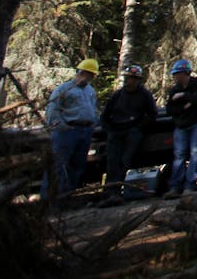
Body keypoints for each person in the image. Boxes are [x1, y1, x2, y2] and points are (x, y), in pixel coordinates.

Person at [98, 64, 159, 206]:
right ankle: (109, 193)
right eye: (127, 78)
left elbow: (152, 114)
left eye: (131, 78)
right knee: (112, 162)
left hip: (132, 132)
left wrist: (138, 127)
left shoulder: (144, 95)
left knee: (125, 161)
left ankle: (119, 192)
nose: (128, 81)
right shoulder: (117, 95)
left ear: (138, 80)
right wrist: (109, 129)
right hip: (115, 132)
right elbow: (105, 115)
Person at [42, 57, 100, 203]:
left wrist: (93, 123)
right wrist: (60, 126)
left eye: (92, 76)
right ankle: (49, 199)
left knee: (77, 166)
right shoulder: (64, 89)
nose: (90, 78)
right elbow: (52, 110)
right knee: (59, 165)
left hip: (85, 131)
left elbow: (93, 109)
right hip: (67, 131)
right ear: (80, 72)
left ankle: (67, 198)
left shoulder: (90, 91)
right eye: (88, 74)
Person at [163, 58, 197, 198]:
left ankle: (190, 185)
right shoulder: (174, 90)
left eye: (177, 74)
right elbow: (170, 109)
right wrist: (186, 106)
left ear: (185, 73)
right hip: (181, 125)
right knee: (179, 155)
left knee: (195, 152)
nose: (175, 77)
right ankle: (175, 187)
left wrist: (184, 96)